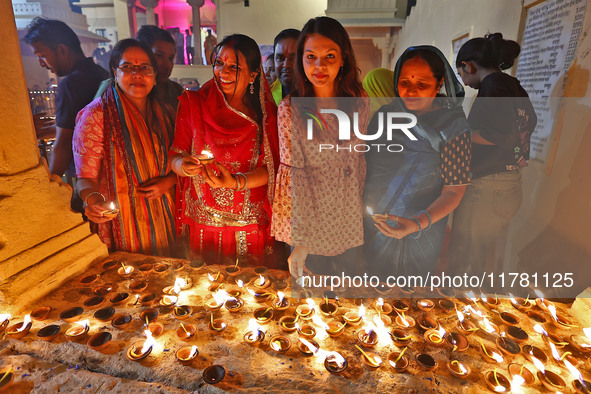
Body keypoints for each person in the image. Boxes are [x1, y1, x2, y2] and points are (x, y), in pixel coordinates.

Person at [169, 34, 279, 266]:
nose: (223, 72)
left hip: (248, 223)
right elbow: (175, 155)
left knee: (249, 292)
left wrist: (235, 182)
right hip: (203, 220)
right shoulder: (193, 104)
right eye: (219, 63)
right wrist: (184, 166)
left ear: (253, 75)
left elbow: (272, 170)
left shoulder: (265, 115)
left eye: (234, 67)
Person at [272, 17, 368, 278]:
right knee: (311, 306)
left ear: (343, 58)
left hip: (347, 218)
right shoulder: (291, 109)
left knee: (347, 304)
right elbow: (295, 178)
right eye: (311, 56)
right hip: (309, 224)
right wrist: (302, 242)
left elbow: (357, 162)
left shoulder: (358, 103)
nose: (319, 66)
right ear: (300, 60)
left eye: (329, 56)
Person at [363, 46, 471, 279]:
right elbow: (367, 168)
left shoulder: (453, 126)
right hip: (374, 221)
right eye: (404, 82)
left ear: (439, 83)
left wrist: (417, 223)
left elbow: (455, 190)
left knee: (408, 295)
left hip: (422, 228)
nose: (411, 92)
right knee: (370, 292)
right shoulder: (383, 117)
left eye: (421, 84)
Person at [73, 39, 177, 255]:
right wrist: (93, 201)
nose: (137, 74)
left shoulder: (167, 114)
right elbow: (85, 179)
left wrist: (168, 182)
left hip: (164, 218)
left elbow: (180, 165)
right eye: (127, 67)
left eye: (144, 68)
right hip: (120, 222)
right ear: (115, 72)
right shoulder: (96, 115)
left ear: (155, 76)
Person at [448, 33, 536, 279]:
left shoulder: (493, 86)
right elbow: (522, 129)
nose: (464, 82)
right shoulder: (513, 85)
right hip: (508, 181)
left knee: (464, 257)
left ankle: (457, 309)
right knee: (477, 253)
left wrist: (456, 133)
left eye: (461, 74)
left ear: (469, 65)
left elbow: (499, 133)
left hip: (487, 185)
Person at [24, 17, 109, 212]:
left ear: (61, 50)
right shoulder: (101, 74)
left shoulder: (71, 84)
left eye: (42, 55)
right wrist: (52, 129)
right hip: (108, 171)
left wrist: (52, 185)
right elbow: (82, 126)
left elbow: (63, 143)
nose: (41, 63)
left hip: (86, 178)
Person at [96, 26, 184, 111]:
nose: (167, 65)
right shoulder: (108, 92)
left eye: (171, 58)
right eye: (159, 55)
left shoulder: (176, 92)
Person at [270, 28, 300, 105]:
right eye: (280, 58)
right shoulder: (266, 97)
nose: (286, 65)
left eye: (293, 58)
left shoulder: (321, 96)